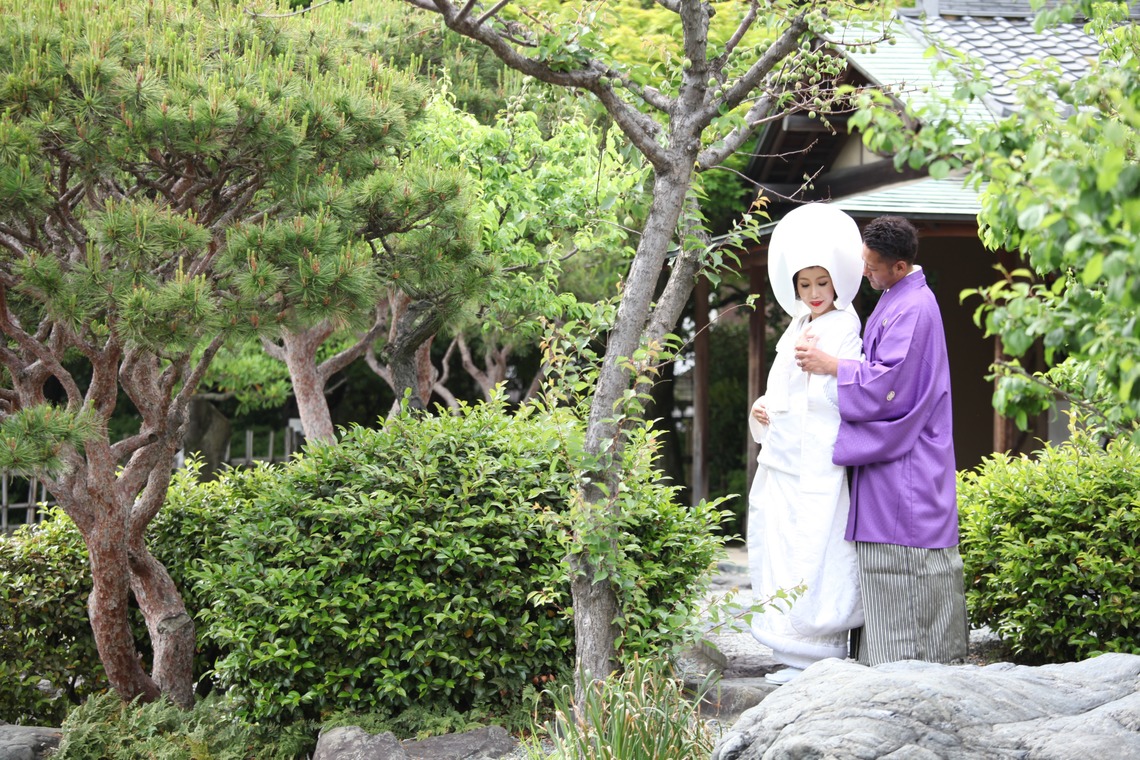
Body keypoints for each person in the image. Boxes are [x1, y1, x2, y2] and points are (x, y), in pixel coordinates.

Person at [795, 214, 968, 667]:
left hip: (907, 464)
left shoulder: (913, 308)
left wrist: (832, 366)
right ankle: (886, 668)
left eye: (872, 267)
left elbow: (889, 384)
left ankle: (909, 671)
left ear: (899, 265)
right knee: (884, 574)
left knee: (904, 569)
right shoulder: (898, 296)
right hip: (895, 461)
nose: (865, 273)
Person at [747, 203, 865, 685]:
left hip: (818, 461)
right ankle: (788, 646)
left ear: (837, 281)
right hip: (784, 458)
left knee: (818, 545)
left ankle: (819, 650)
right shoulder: (796, 326)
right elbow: (784, 387)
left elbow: (847, 392)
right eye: (804, 284)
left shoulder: (846, 328)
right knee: (780, 541)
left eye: (821, 282)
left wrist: (823, 369)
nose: (813, 293)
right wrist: (764, 407)